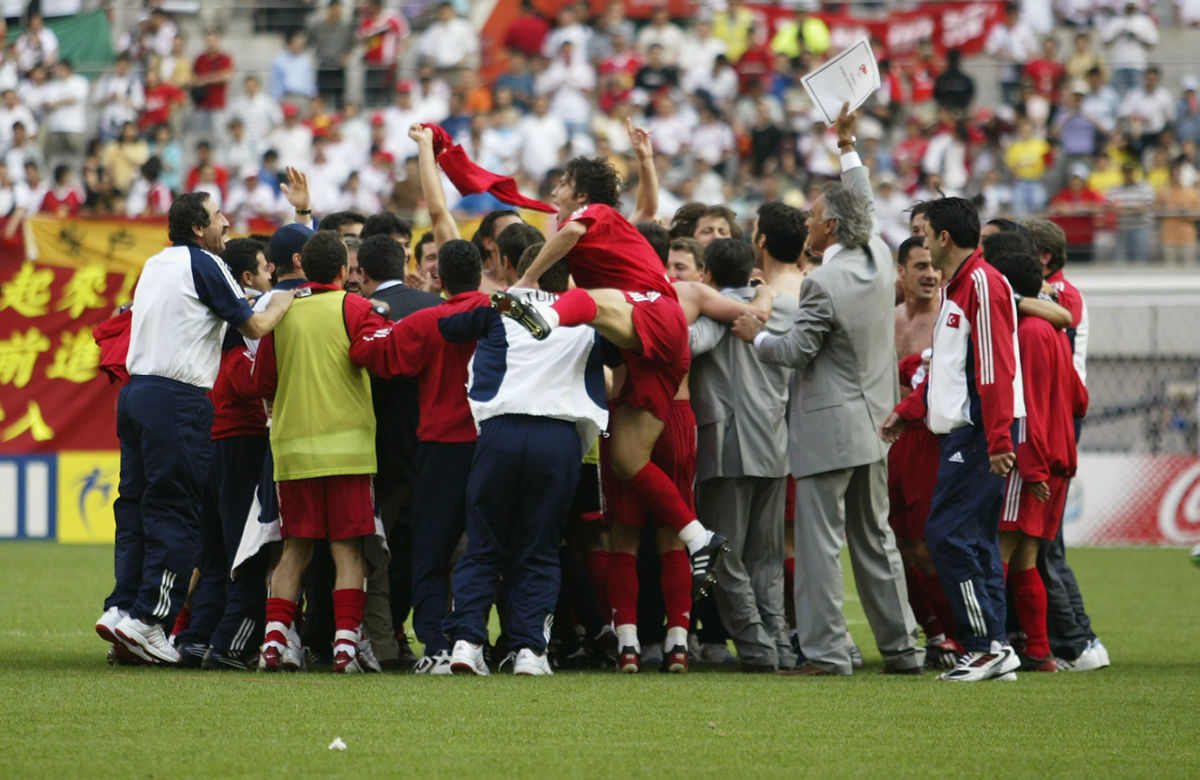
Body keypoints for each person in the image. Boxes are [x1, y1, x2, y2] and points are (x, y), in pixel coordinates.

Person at [732, 105, 922, 677]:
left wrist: (757, 335)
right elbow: (860, 200)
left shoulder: (823, 284)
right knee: (875, 539)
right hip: (875, 420)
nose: (809, 223)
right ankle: (902, 649)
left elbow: (793, 353)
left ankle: (828, 653)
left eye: (815, 217)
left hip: (827, 425)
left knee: (819, 546)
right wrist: (847, 147)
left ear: (830, 230)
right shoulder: (879, 260)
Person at [494, 157, 731, 601]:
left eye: (562, 185)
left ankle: (543, 316)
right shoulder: (613, 230)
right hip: (651, 355)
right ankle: (699, 537)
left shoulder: (596, 213)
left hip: (656, 316)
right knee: (626, 461)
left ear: (582, 196)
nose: (554, 194)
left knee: (587, 300)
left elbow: (568, 234)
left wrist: (525, 283)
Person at [94, 192, 294, 664]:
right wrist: (284, 298)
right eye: (219, 215)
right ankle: (150, 619)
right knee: (176, 511)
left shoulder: (157, 264)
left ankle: (124, 607)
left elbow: (201, 324)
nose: (227, 222)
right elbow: (257, 326)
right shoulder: (205, 264)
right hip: (177, 399)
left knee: (137, 507)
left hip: (136, 393)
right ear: (200, 229)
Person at [440, 246, 608, 677]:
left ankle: (466, 642)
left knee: (483, 545)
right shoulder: (591, 315)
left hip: (500, 433)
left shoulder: (501, 304)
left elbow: (451, 326)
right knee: (539, 548)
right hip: (559, 438)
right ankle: (530, 650)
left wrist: (503, 296)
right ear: (569, 277)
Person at [881, 195, 1024, 683]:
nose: (921, 241)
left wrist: (1000, 436)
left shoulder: (980, 284)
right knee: (977, 540)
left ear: (943, 238)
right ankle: (997, 647)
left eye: (925, 234)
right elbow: (946, 369)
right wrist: (910, 411)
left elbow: (995, 365)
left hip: (981, 429)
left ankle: (981, 644)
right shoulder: (961, 286)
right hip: (971, 428)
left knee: (944, 535)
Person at [348, 239, 490, 674]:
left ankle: (437, 645)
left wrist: (376, 316)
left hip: (441, 446)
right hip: (491, 444)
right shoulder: (501, 313)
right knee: (487, 548)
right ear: (481, 272)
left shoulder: (430, 319)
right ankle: (481, 641)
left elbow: (370, 355)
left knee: (430, 548)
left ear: (439, 278)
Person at [251, 231, 386, 674]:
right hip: (348, 450)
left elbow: (262, 383)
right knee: (347, 551)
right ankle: (345, 647)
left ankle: (273, 645)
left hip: (293, 451)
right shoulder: (355, 307)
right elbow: (381, 359)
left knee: (294, 551)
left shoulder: (280, 315)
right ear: (344, 272)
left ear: (302, 268)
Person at [688, 237, 796, 672]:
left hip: (727, 445)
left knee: (725, 556)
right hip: (774, 443)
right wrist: (765, 291)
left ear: (708, 275)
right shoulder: (782, 308)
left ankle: (758, 648)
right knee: (766, 559)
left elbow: (688, 342)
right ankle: (779, 646)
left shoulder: (715, 316)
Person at [986, 251, 1089, 673]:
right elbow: (1080, 400)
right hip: (1057, 458)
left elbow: (1024, 407)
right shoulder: (1052, 330)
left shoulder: (1025, 332)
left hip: (1032, 462)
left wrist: (1030, 467)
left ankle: (992, 647)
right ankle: (1039, 651)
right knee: (1027, 560)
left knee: (997, 554)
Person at [356, 234, 442, 667]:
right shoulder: (434, 307)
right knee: (423, 548)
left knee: (368, 549)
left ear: (362, 273)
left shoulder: (361, 314)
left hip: (370, 452)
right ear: (405, 259)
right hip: (433, 448)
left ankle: (370, 638)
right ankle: (410, 636)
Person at [888, 235, 960, 667]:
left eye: (933, 266)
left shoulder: (946, 322)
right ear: (901, 272)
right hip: (888, 446)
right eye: (919, 266)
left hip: (928, 443)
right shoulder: (888, 319)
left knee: (925, 546)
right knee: (895, 545)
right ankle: (931, 631)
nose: (930, 273)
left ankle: (954, 633)